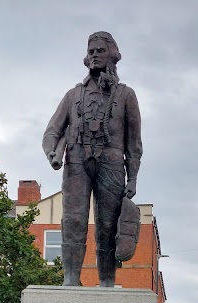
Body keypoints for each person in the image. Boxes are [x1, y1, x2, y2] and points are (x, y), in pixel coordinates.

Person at [42, 31, 142, 287]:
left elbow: (134, 144)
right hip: (76, 160)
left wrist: (133, 178)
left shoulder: (126, 95)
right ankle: (71, 279)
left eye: (100, 50)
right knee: (73, 219)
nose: (95, 55)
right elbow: (52, 131)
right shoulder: (73, 95)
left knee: (108, 224)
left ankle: (107, 280)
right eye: (91, 51)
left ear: (112, 55)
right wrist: (52, 150)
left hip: (111, 164)